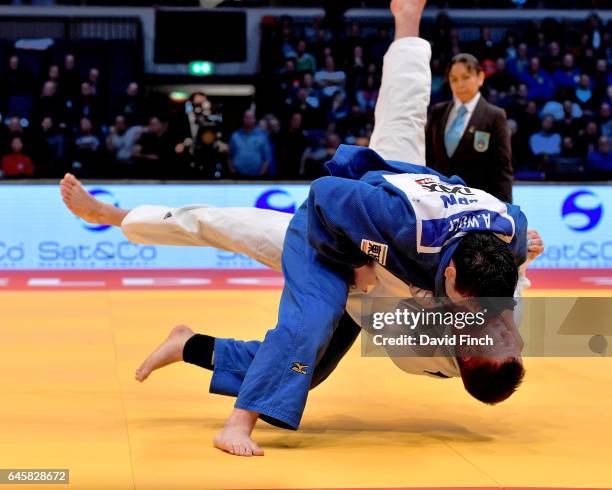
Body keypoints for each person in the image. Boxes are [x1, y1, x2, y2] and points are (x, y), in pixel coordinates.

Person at [60, 0, 541, 457]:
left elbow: (394, 307)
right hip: (369, 217)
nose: (501, 329)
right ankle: (119, 216)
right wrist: (517, 248)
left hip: (378, 282)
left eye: (487, 336)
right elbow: (338, 197)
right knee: (237, 224)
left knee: (299, 356)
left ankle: (188, 345)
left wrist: (366, 271)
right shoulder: (494, 282)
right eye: (505, 336)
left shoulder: (426, 344)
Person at [426, 53, 514, 203]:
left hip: (477, 206)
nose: (460, 84)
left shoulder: (494, 116)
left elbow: (502, 170)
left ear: (480, 77)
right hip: (439, 205)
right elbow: (428, 159)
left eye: (466, 77)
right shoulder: (437, 112)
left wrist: (505, 211)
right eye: (454, 79)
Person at [228, 110, 272, 178]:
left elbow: (267, 158)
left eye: (251, 117)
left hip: (257, 176)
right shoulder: (235, 136)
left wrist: (261, 174)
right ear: (243, 119)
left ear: (255, 119)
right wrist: (233, 171)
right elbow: (229, 156)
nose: (249, 120)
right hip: (237, 176)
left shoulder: (262, 136)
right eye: (247, 117)